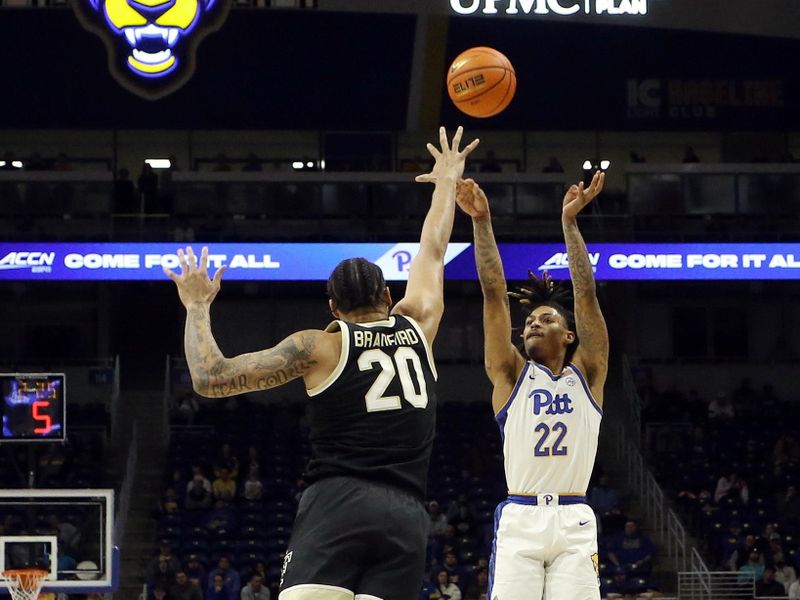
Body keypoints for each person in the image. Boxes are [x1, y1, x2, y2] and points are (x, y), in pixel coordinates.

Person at [165, 126, 479, 600]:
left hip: (339, 504)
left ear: (332, 308)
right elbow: (432, 249)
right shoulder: (420, 325)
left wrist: (196, 307)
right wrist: (446, 181)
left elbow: (209, 379)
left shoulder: (320, 347)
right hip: (408, 513)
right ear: (389, 296)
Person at [455, 170, 608, 600]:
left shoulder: (589, 373)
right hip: (521, 517)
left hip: (574, 518)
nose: (533, 324)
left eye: (546, 319)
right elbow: (492, 291)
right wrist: (481, 222)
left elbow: (587, 295)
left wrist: (570, 225)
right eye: (529, 322)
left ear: (569, 336)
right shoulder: (510, 373)